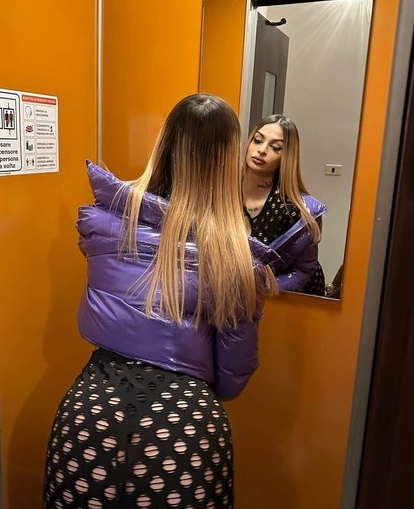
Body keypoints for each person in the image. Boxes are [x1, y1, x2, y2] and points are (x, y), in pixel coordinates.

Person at [43, 94, 278, 508]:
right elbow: (231, 379)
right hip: (183, 426)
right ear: (229, 161)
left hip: (90, 413)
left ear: (164, 142)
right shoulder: (235, 258)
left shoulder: (104, 222)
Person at [243, 114, 327, 295]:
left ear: (286, 157)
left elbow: (301, 271)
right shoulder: (223, 192)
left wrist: (258, 290)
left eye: (275, 147)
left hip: (287, 300)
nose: (262, 150)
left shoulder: (297, 210)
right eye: (258, 141)